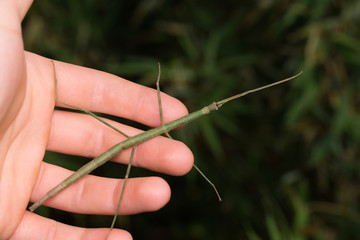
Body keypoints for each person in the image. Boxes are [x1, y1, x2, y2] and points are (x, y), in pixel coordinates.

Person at [0, 1, 194, 239]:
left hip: (121, 145)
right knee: (93, 116)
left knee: (141, 168)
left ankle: (105, 222)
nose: (212, 107)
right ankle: (110, 224)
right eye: (213, 106)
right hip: (120, 145)